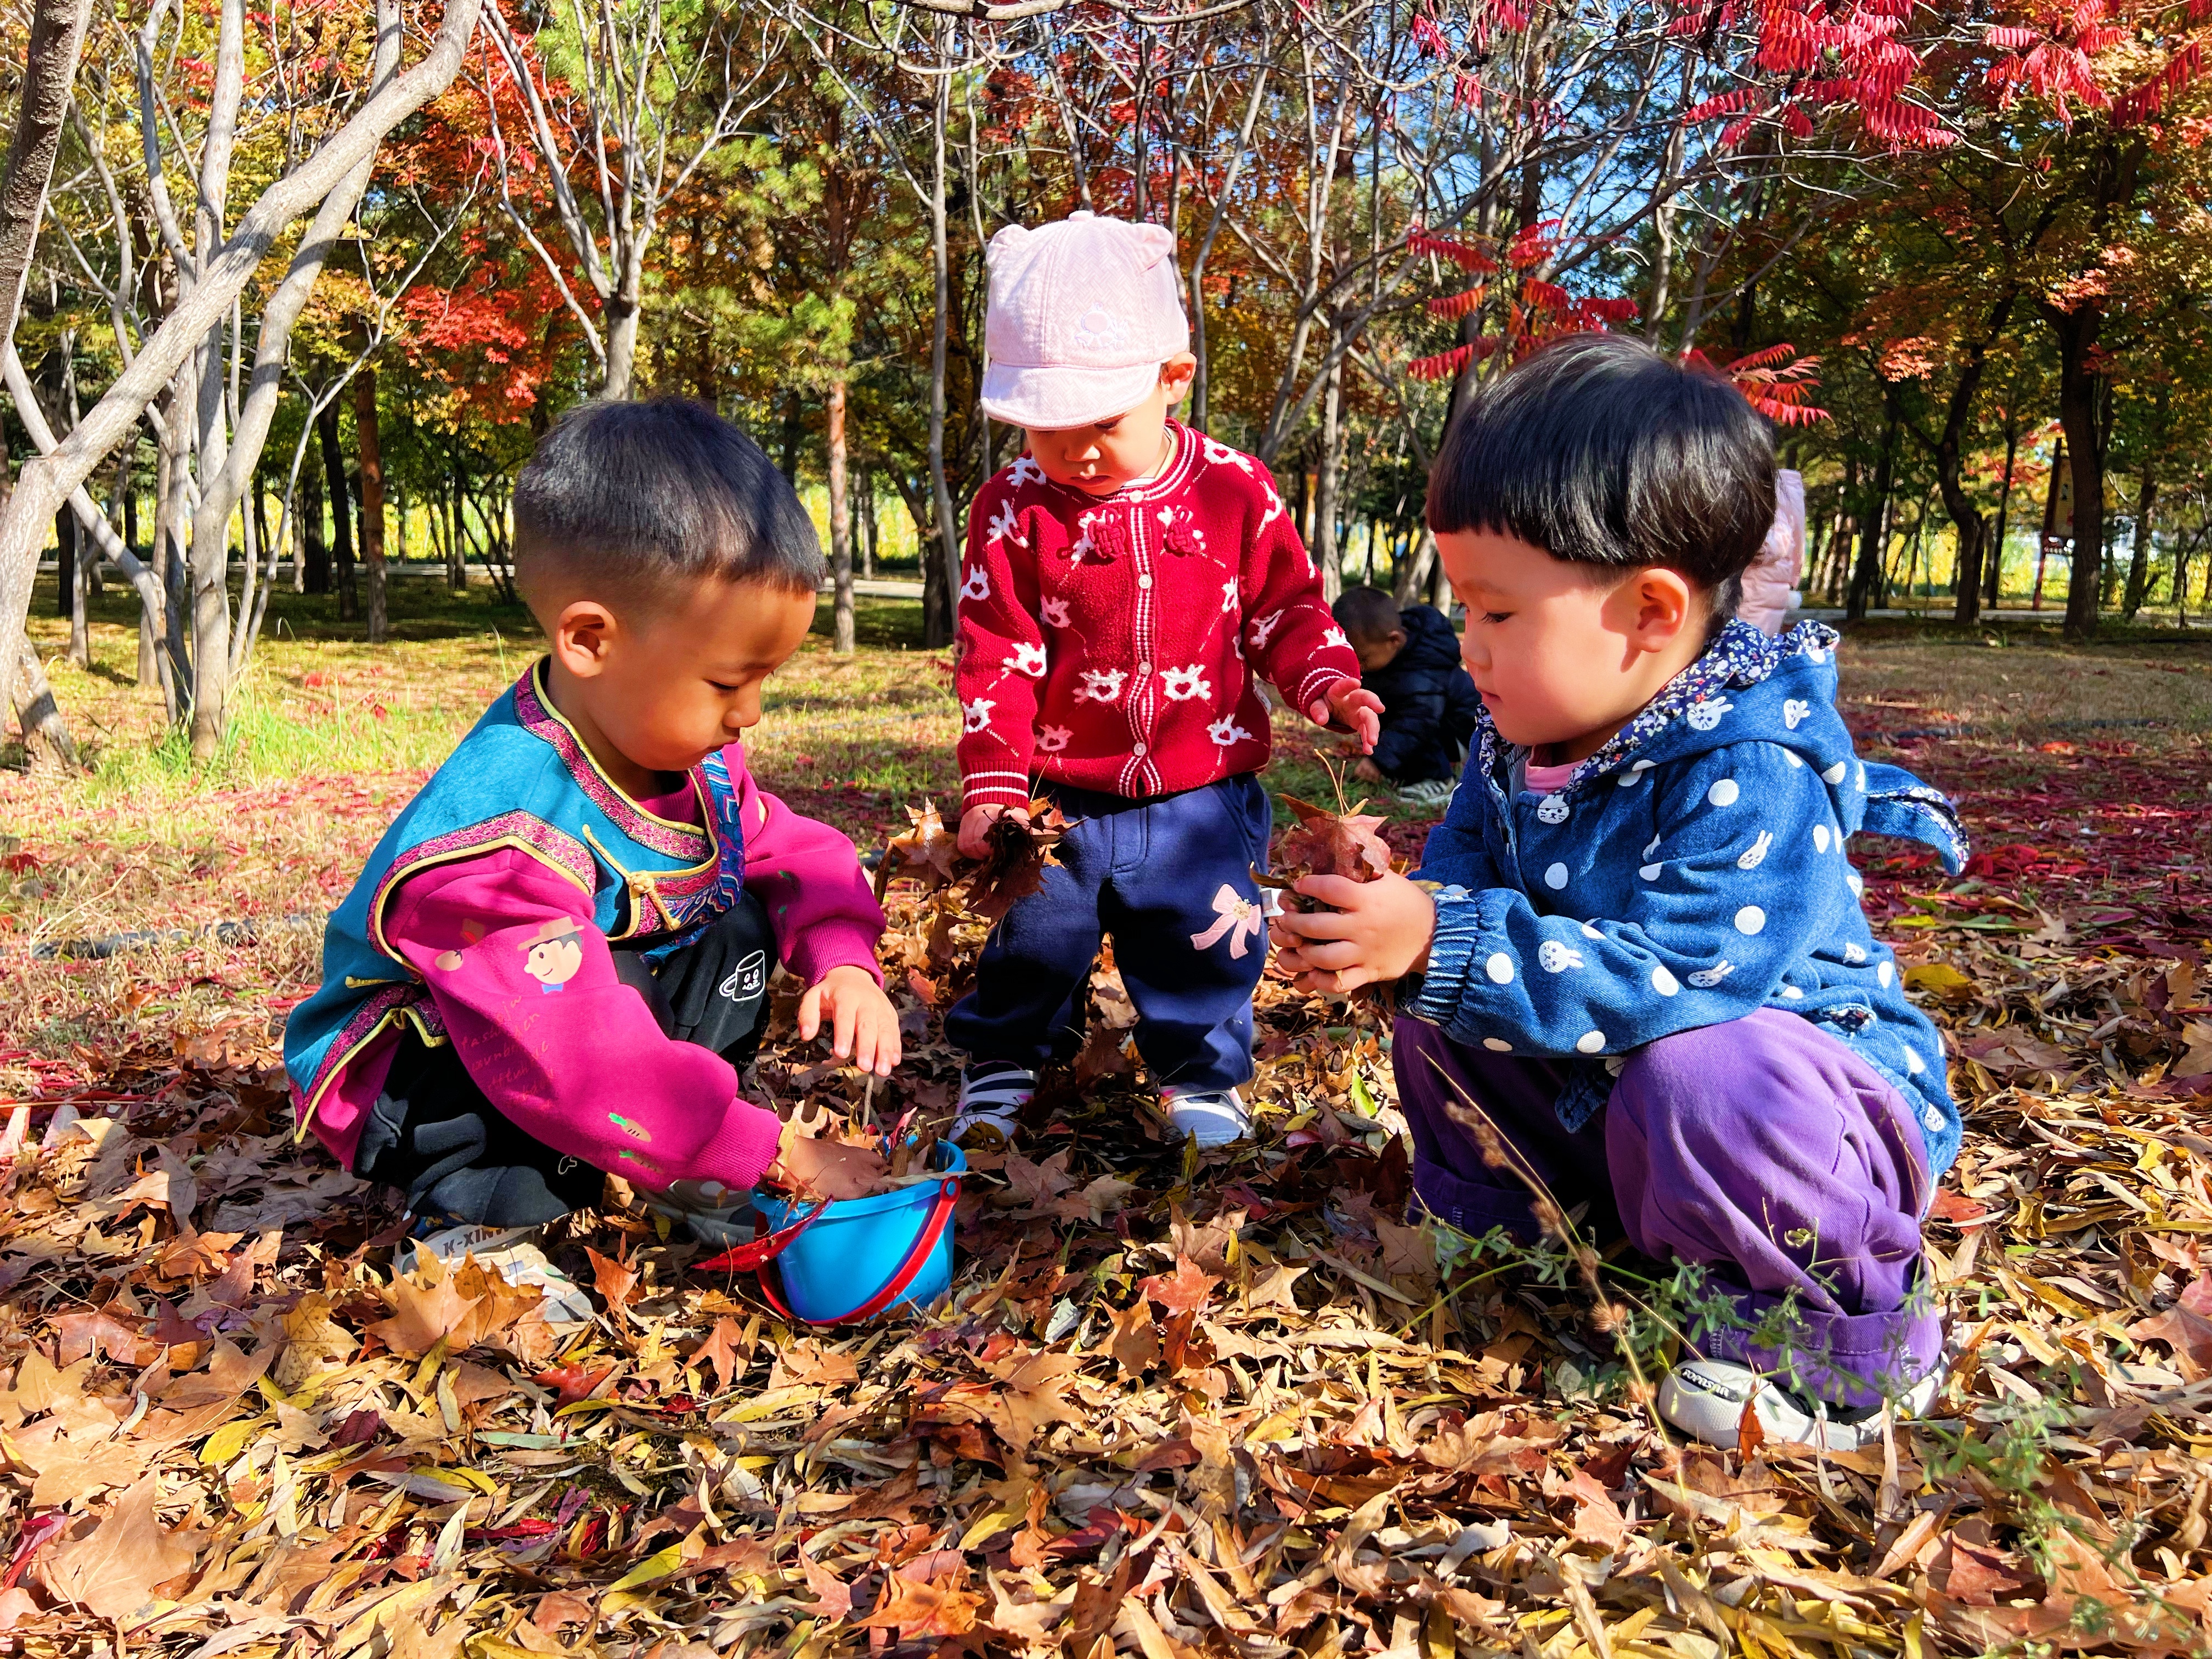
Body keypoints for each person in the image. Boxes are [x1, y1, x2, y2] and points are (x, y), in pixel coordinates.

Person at [1269, 335, 1967, 1451]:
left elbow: (1675, 983)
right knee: (1446, 1002)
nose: (1473, 651)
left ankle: (1841, 1343)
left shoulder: (1752, 767)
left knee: (1701, 1071)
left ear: (1650, 611)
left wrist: (1442, 938)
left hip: (1796, 1120)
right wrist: (1392, 917)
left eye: (1499, 614)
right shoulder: (1518, 741)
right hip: (1615, 1091)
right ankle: (1522, 1228)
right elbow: (1464, 884)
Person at [284, 400, 896, 1231]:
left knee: (731, 926)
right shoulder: (504, 839)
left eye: (765, 681)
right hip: (437, 1061)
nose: (750, 713)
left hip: (578, 1017)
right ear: (590, 641)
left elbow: (787, 849)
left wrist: (842, 956)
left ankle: (677, 1154)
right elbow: (571, 1056)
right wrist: (782, 1156)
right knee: (588, 1022)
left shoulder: (684, 753)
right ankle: (478, 1236)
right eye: (726, 683)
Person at [947, 211, 1381, 1149]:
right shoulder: (1013, 509)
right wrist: (992, 785)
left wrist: (1331, 684)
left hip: (1202, 792)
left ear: (1172, 378)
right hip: (1059, 796)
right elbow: (999, 654)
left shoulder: (1233, 489)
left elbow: (1283, 610)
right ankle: (1008, 1057)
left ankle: (1198, 1074)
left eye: (1102, 422)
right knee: (1033, 936)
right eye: (1046, 428)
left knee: (1206, 941)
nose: (1076, 451)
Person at [1333, 585, 1483, 808]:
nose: (1360, 668)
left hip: (1465, 734)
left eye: (1363, 660)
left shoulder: (1424, 668)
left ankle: (1438, 778)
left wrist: (1380, 761)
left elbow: (1418, 721)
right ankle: (1411, 769)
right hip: (1439, 728)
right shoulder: (1390, 651)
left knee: (1415, 719)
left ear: (1394, 640)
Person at [1737, 467, 1807, 635]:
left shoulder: (1772, 494)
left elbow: (1778, 540)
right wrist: (1794, 577)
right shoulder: (1789, 494)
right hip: (1766, 586)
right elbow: (1797, 546)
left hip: (1755, 588)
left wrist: (1747, 546)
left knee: (1744, 644)